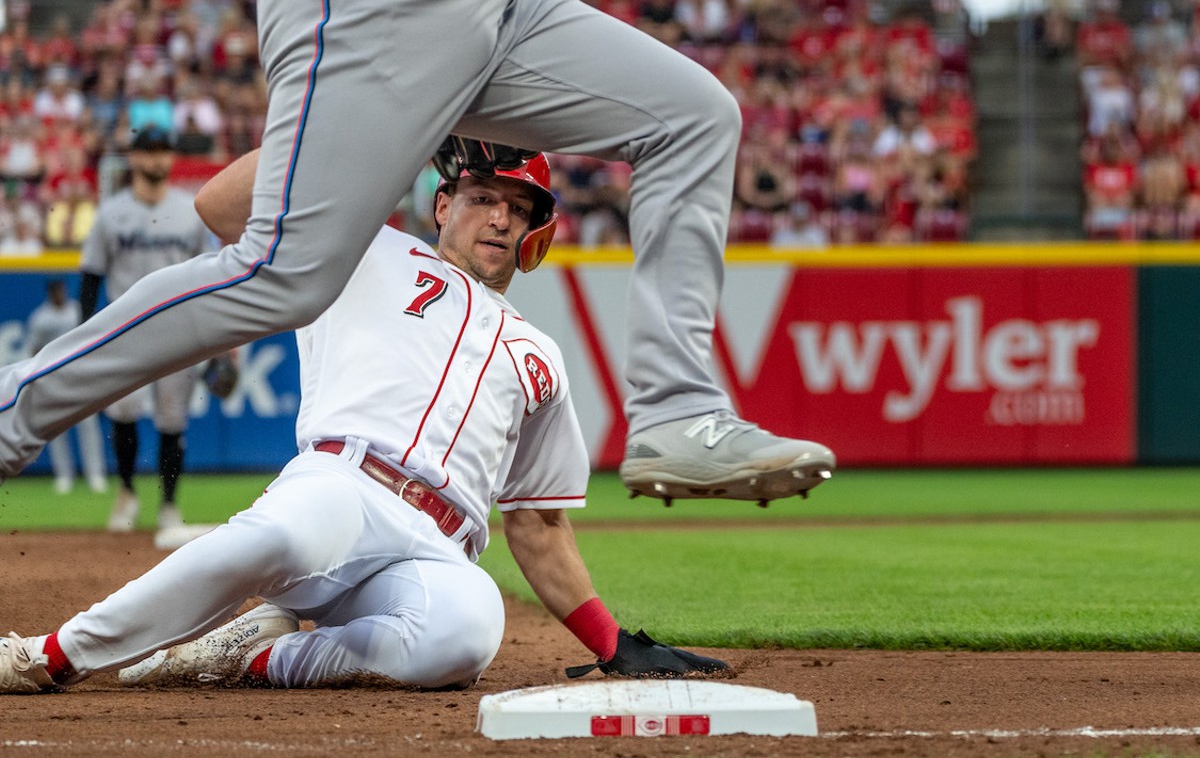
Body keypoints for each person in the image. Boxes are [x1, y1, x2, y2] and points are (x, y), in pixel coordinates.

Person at [0, 0, 834, 507]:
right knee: (282, 275)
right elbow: (218, 204)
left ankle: (676, 413)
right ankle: (16, 411)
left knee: (694, 114)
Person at [0, 139, 728, 694]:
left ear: (535, 234)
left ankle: (258, 653)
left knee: (469, 632)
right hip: (340, 488)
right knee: (280, 529)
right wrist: (364, 130)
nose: (500, 216)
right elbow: (220, 207)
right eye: (483, 196)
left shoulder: (540, 357)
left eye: (520, 207)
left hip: (438, 546)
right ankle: (52, 653)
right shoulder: (364, 248)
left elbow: (537, 523)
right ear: (443, 205)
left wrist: (611, 643)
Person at [78, 126, 211, 535]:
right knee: (124, 416)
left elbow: (210, 277)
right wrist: (87, 337)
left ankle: (169, 504)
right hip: (126, 332)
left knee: (173, 423)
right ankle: (127, 491)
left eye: (164, 151)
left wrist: (216, 338)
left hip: (177, 332)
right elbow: (91, 277)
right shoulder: (112, 212)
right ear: (133, 158)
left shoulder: (191, 211)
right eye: (149, 151)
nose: (158, 159)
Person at [24, 279, 108, 495]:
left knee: (88, 427)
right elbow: (33, 350)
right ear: (50, 293)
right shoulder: (41, 318)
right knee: (55, 429)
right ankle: (64, 476)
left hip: (80, 376)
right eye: (55, 291)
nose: (59, 294)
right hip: (53, 378)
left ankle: (95, 475)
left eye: (61, 290)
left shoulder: (77, 311)